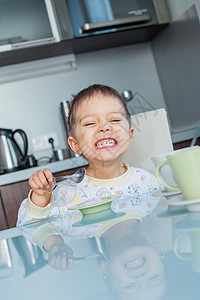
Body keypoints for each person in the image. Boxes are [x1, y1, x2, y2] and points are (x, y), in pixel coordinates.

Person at [17, 84, 162, 226]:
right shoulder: (66, 194)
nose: (105, 127)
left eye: (115, 120)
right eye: (90, 123)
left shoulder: (147, 182)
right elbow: (28, 228)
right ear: (76, 145)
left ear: (130, 137)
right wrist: (41, 196)